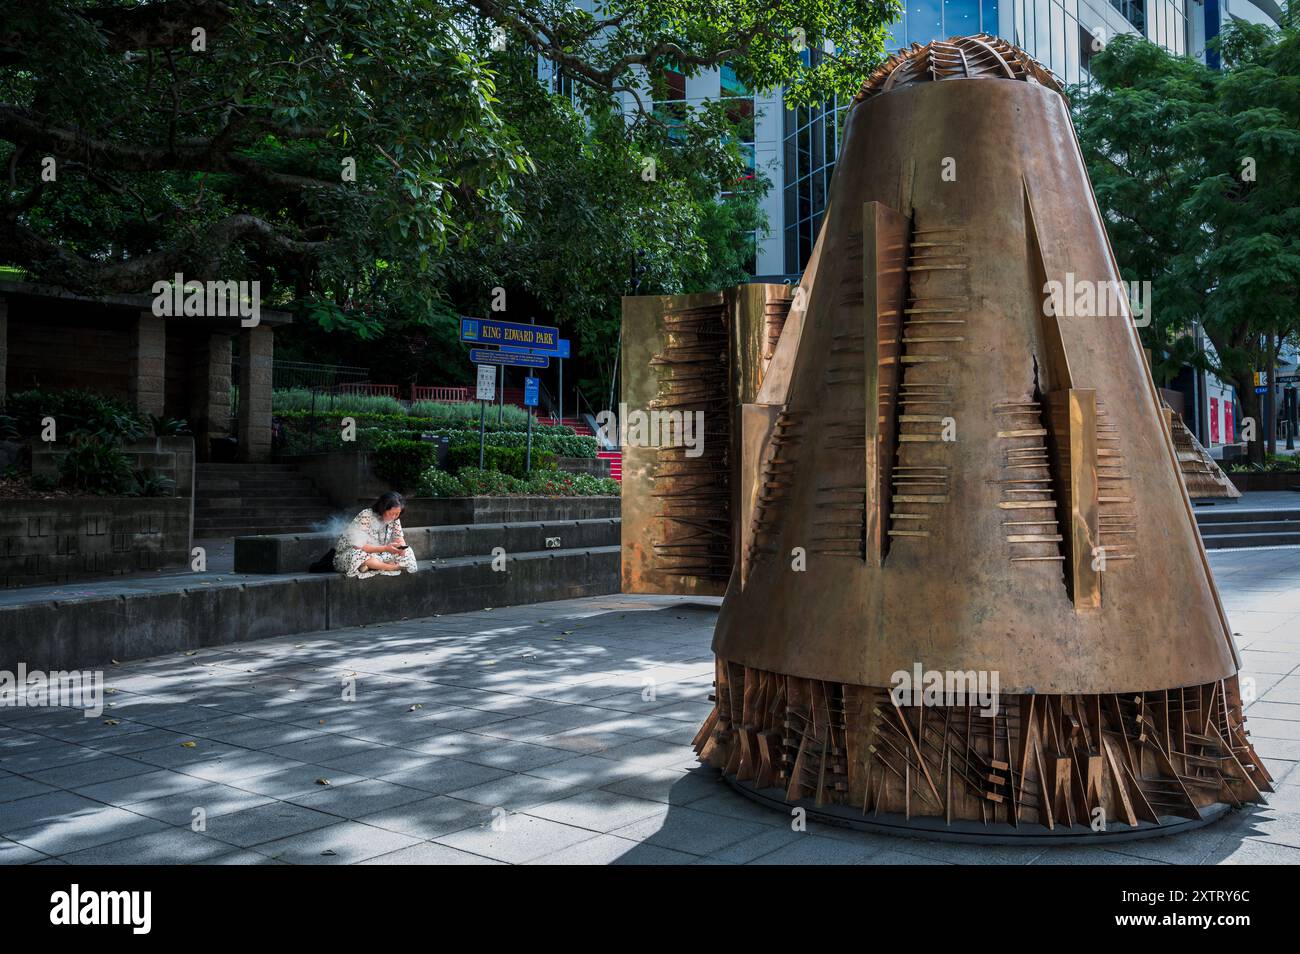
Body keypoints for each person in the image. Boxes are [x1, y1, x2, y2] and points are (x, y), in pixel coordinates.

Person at [333, 491, 418, 578]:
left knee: (408, 551)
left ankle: (372, 566)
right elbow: (360, 546)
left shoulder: (395, 519)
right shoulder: (366, 515)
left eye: (397, 514)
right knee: (358, 554)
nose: (393, 517)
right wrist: (385, 548)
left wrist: (401, 548)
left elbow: (399, 539)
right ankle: (391, 567)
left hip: (377, 554)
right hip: (350, 554)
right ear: (383, 508)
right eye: (391, 513)